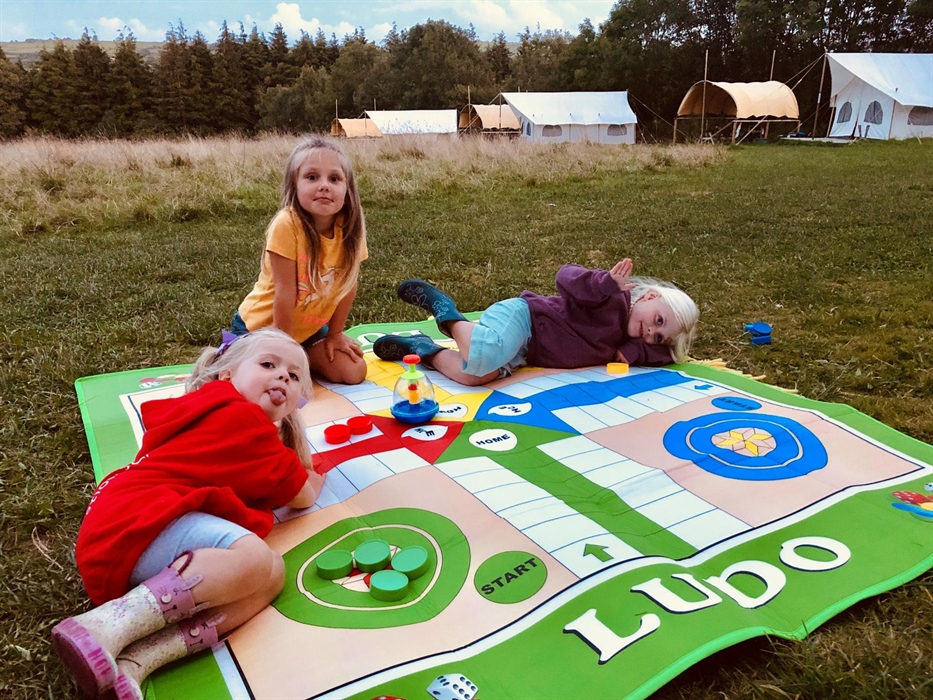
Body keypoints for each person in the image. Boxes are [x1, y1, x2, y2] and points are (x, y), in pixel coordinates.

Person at [52, 329, 325, 700]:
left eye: (294, 376)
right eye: (268, 364)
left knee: (270, 576)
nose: (282, 376)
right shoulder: (241, 419)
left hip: (123, 523)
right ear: (227, 374)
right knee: (254, 558)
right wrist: (313, 474)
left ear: (295, 402)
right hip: (139, 519)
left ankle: (135, 661)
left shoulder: (211, 408)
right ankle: (102, 625)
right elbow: (303, 494)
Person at [373, 259, 698, 386]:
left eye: (657, 336)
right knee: (487, 354)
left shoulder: (629, 345)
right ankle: (447, 313)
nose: (651, 332)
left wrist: (639, 351)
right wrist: (604, 283)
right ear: (650, 297)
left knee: (474, 376)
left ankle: (423, 349)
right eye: (657, 321)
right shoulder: (611, 297)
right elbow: (565, 277)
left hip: (527, 350)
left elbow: (669, 356)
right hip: (523, 318)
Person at [232, 137, 369, 385]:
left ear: (347, 190)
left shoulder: (351, 230)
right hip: (263, 328)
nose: (324, 186)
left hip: (309, 331)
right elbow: (284, 295)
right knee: (258, 386)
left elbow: (348, 286)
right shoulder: (287, 225)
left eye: (334, 179)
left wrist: (335, 334)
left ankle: (302, 358)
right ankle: (233, 356)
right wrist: (284, 353)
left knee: (354, 371)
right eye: (312, 177)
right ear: (294, 185)